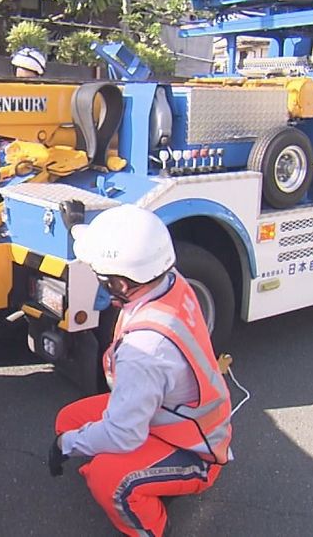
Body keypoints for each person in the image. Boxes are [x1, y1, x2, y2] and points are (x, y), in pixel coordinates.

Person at [49, 204, 233, 536]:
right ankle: (146, 477)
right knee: (69, 421)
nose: (99, 282)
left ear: (120, 284)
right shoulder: (167, 279)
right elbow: (123, 255)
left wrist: (65, 447)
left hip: (195, 448)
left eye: (102, 278)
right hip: (169, 414)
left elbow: (124, 434)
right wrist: (78, 229)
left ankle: (151, 522)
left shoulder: (145, 351)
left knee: (109, 479)